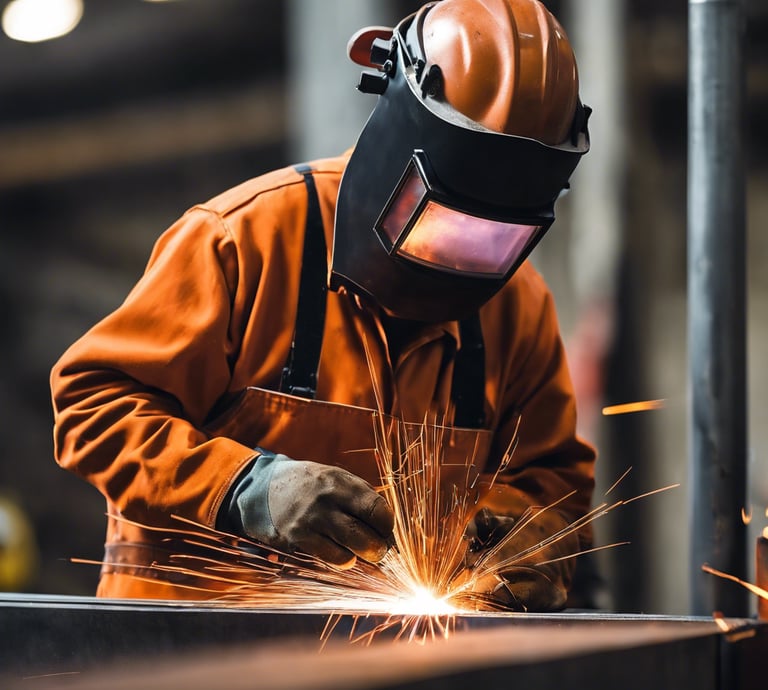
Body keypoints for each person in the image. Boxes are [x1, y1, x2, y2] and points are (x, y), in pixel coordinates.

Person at [50, 0, 595, 611]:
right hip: (181, 652)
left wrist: (530, 537)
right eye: (438, 219)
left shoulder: (517, 310)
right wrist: (244, 488)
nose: (457, 257)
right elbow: (90, 403)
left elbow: (555, 487)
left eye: (497, 238)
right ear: (394, 144)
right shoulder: (241, 241)